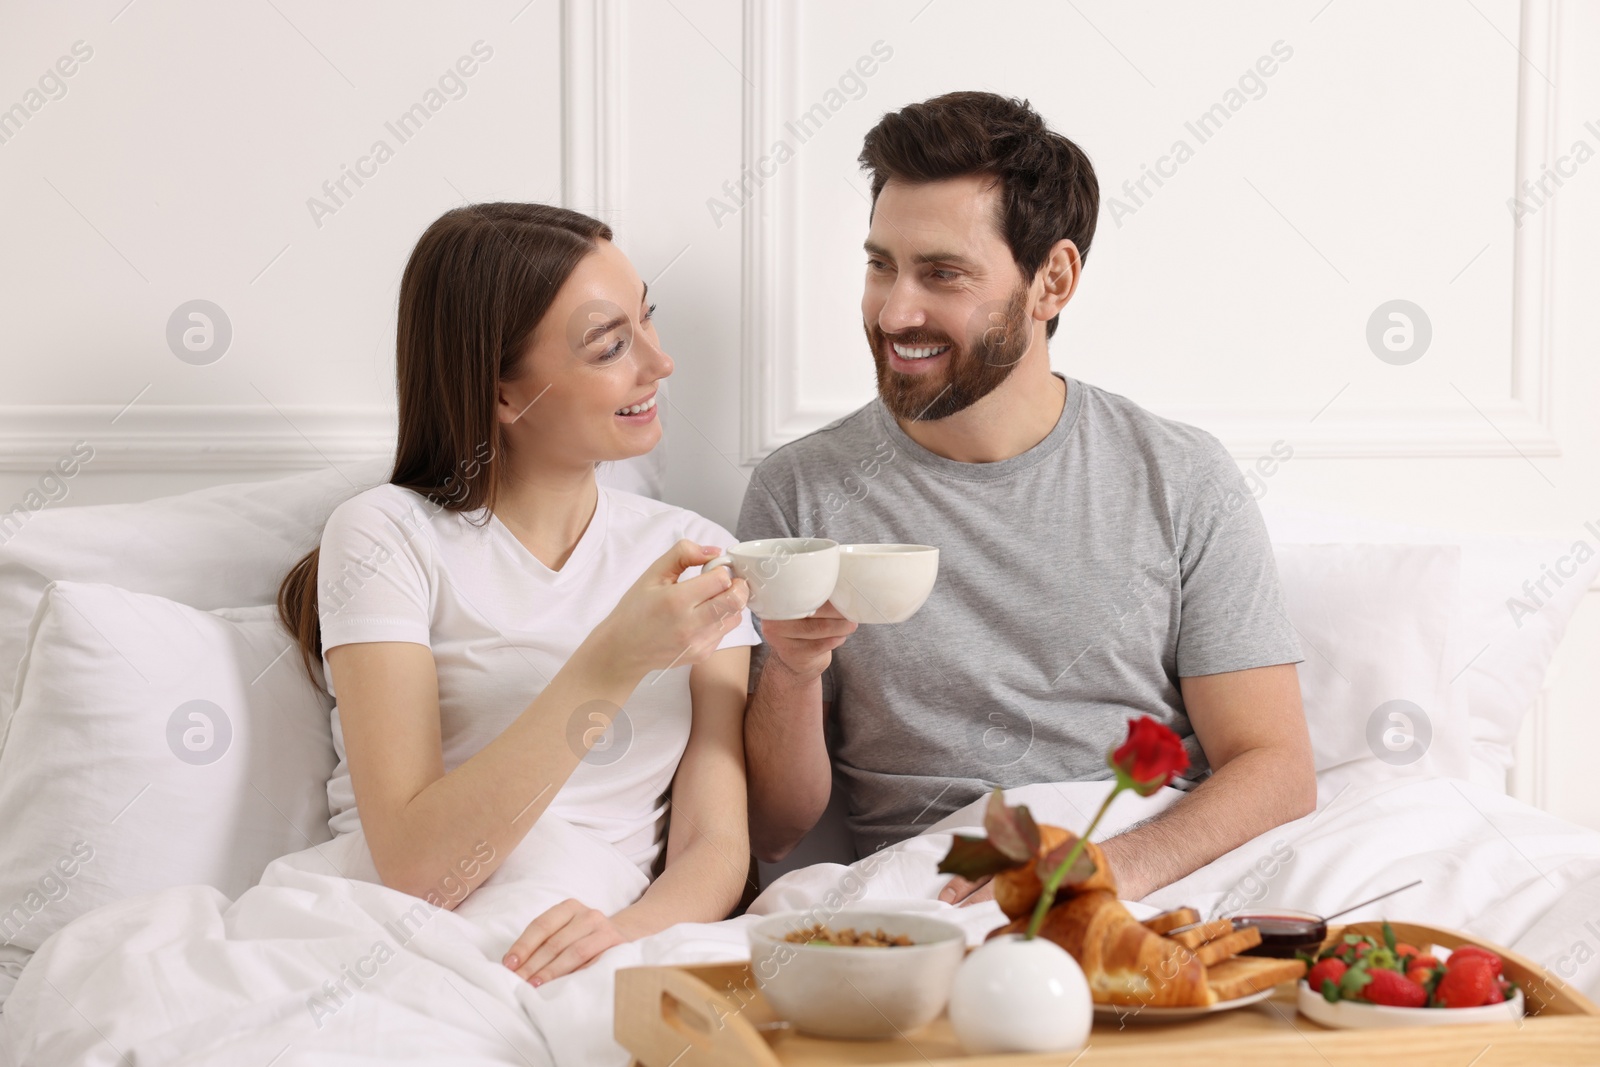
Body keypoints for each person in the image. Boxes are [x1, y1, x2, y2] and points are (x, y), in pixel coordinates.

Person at [738, 92, 1317, 904]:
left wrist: (1104, 876)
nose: (894, 310)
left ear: (1053, 279)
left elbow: (1276, 766)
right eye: (880, 265)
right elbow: (773, 827)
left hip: (1145, 867)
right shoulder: (801, 490)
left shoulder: (1179, 475)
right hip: (943, 887)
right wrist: (794, 672)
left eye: (941, 273)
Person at [277, 202, 757, 986]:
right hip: (400, 936)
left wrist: (619, 934)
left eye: (648, 322)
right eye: (610, 346)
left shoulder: (696, 552)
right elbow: (420, 870)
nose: (659, 363)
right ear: (503, 393)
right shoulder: (384, 535)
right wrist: (612, 662)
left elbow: (716, 844)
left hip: (608, 932)